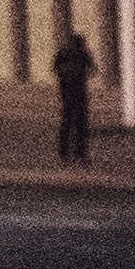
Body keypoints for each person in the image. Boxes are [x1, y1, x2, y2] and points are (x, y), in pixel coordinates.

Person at [52, 17, 97, 165]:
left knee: (68, 122)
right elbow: (93, 69)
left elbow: (55, 69)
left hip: (68, 92)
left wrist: (64, 77)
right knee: (79, 124)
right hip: (78, 92)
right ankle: (79, 154)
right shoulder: (80, 54)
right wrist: (82, 75)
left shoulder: (63, 53)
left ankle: (66, 154)